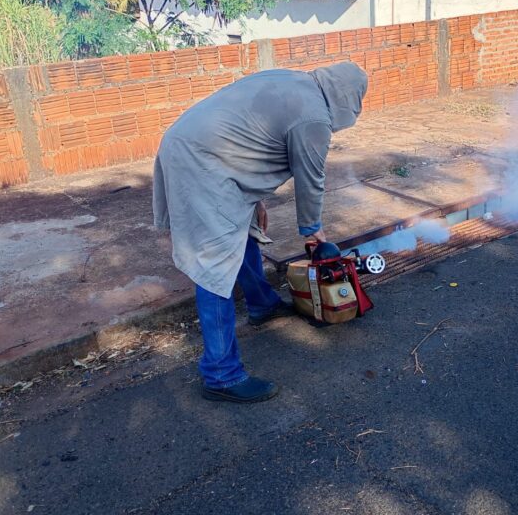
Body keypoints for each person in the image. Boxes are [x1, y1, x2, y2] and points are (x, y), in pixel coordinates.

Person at [153, 62, 369, 404]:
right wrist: (313, 230)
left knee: (242, 232)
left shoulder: (293, 80)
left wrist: (255, 198)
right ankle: (221, 375)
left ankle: (262, 304)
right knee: (214, 264)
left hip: (197, 146)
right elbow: (311, 179)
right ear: (348, 98)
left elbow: (250, 135)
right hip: (201, 160)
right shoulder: (314, 117)